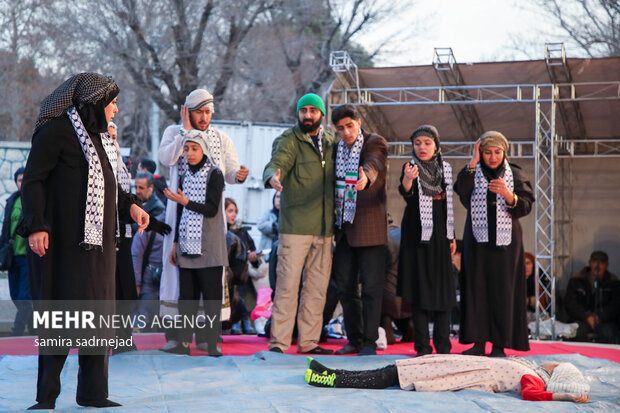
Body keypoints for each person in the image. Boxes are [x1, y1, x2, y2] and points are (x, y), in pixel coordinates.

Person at [16, 73, 149, 410]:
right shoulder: (56, 131)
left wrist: (131, 206)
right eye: (113, 102)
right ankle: (46, 397)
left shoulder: (102, 138)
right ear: (95, 103)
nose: (116, 110)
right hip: (63, 246)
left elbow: (110, 184)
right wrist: (36, 226)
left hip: (100, 248)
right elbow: (33, 181)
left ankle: (92, 393)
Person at [158, 88, 248, 351]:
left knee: (210, 282)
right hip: (180, 219)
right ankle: (177, 336)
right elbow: (167, 158)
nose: (205, 117)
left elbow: (229, 172)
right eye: (199, 111)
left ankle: (210, 337)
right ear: (187, 111)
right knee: (180, 280)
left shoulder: (220, 138)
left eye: (208, 112)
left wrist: (238, 175)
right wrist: (186, 133)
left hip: (209, 222)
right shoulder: (174, 133)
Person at [262, 93, 335, 354]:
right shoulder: (288, 140)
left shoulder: (330, 142)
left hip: (325, 229)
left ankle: (309, 343)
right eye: (303, 111)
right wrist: (272, 178)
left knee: (316, 290)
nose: (307, 115)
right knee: (287, 288)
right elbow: (275, 164)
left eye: (312, 111)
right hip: (294, 228)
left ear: (321, 114)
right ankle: (279, 343)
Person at [454, 131, 535, 357]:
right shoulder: (471, 172)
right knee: (476, 290)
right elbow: (461, 191)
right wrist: (472, 162)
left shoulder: (515, 174)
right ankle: (478, 343)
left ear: (504, 152)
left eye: (497, 152)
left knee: (503, 292)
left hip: (507, 246)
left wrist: (509, 195)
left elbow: (526, 206)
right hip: (477, 243)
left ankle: (499, 345)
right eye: (487, 152)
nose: (492, 157)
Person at [330, 104, 388, 356]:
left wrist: (365, 176)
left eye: (349, 126)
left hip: (369, 227)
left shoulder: (375, 142)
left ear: (359, 122)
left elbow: (373, 163)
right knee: (344, 285)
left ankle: (369, 342)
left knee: (372, 289)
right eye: (340, 128)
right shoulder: (336, 148)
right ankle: (353, 338)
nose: (345, 132)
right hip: (343, 227)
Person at [303, 355, 591, 404]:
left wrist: (563, 396)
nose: (553, 360)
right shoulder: (528, 366)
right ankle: (331, 373)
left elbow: (531, 396)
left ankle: (328, 379)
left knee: (392, 375)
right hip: (458, 364)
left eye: (558, 364)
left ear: (556, 373)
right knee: (396, 368)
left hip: (458, 372)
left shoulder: (533, 378)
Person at [164, 130, 226, 356]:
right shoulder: (185, 175)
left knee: (211, 299)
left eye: (194, 149)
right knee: (186, 299)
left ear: (204, 149)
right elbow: (181, 211)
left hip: (209, 247)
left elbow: (211, 209)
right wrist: (175, 244)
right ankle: (182, 342)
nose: (189, 154)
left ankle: (212, 344)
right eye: (187, 149)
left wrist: (186, 201)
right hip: (187, 246)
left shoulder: (215, 174)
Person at [397, 125, 457, 357]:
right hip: (416, 234)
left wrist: (451, 235)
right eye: (417, 143)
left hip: (441, 234)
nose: (422, 147)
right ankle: (422, 347)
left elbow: (448, 205)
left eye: (427, 143)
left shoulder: (447, 169)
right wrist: (407, 180)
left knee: (443, 290)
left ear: (436, 145)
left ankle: (443, 346)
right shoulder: (410, 167)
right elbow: (406, 194)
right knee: (418, 291)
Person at [108, 122, 139, 354]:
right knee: (109, 292)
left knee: (126, 289)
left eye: (115, 135)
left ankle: (124, 337)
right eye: (107, 134)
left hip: (125, 236)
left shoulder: (121, 164)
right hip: (106, 237)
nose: (112, 138)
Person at [0, 166, 34, 336]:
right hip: (13, 257)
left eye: (24, 179)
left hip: (29, 256)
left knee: (25, 297)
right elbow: (6, 228)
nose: (22, 183)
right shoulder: (11, 201)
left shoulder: (34, 200)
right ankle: (34, 327)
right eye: (19, 180)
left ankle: (17, 332)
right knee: (15, 296)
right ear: (16, 183)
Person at [132, 171, 168, 329]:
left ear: (151, 188)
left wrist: (137, 282)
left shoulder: (156, 212)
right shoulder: (134, 204)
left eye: (141, 187)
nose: (138, 190)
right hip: (145, 275)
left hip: (152, 276)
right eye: (136, 187)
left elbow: (137, 252)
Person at [224, 197, 262, 335]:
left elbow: (254, 257)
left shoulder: (242, 232)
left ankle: (243, 319)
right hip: (225, 276)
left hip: (239, 276)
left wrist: (252, 257)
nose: (233, 214)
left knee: (239, 293)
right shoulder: (219, 233)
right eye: (229, 211)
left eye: (235, 211)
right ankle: (238, 319)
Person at [564, 250, 619, 343]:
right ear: (590, 263)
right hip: (581, 319)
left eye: (601, 262)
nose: (598, 265)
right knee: (575, 332)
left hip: (605, 321)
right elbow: (570, 303)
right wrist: (586, 316)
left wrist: (600, 317)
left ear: (607, 265)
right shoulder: (577, 280)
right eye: (594, 262)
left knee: (607, 333)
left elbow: (616, 305)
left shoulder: (613, 283)